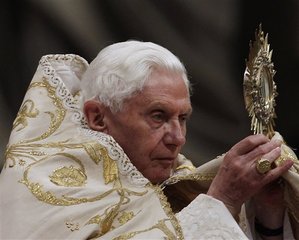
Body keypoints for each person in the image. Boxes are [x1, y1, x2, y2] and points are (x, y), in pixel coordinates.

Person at [0, 40, 298, 239]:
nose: (178, 138)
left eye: (183, 118)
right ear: (98, 117)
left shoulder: (177, 181)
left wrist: (268, 217)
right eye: (158, 116)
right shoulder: (43, 184)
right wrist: (221, 201)